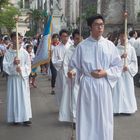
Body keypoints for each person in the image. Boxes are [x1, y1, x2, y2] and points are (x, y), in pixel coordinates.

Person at [68, 14, 122, 140]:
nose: (100, 27)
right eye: (97, 25)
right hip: (87, 85)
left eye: (102, 25)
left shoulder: (109, 45)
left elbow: (117, 66)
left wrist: (106, 72)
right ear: (90, 27)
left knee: (103, 117)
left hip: (103, 85)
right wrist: (72, 72)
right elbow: (75, 65)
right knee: (88, 116)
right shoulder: (82, 46)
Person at [3, 32, 32, 126]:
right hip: (12, 79)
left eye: (19, 38)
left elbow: (29, 66)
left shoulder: (24, 53)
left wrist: (22, 69)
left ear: (21, 39)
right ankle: (15, 117)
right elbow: (4, 66)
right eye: (15, 38)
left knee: (24, 98)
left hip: (21, 78)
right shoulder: (8, 52)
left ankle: (25, 117)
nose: (17, 40)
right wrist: (13, 64)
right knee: (14, 97)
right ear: (12, 39)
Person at [58, 29, 82, 124]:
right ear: (74, 39)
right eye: (76, 39)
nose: (79, 41)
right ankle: (75, 119)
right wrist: (69, 73)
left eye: (80, 38)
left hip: (85, 79)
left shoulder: (86, 48)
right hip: (74, 79)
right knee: (75, 99)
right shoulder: (70, 50)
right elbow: (66, 64)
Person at [113, 30, 138, 115]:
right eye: (121, 36)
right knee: (118, 91)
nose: (123, 38)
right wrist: (120, 57)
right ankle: (117, 109)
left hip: (127, 73)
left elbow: (134, 61)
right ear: (119, 37)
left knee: (127, 91)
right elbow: (112, 62)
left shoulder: (131, 49)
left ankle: (128, 109)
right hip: (119, 73)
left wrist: (128, 67)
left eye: (124, 36)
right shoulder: (116, 49)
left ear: (127, 37)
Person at [52, 29, 71, 107]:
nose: (65, 38)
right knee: (62, 89)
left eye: (66, 36)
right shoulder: (57, 48)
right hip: (62, 72)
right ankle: (62, 106)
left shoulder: (72, 47)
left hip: (71, 71)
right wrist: (63, 62)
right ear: (60, 37)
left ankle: (70, 106)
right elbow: (54, 61)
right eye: (63, 36)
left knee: (70, 89)